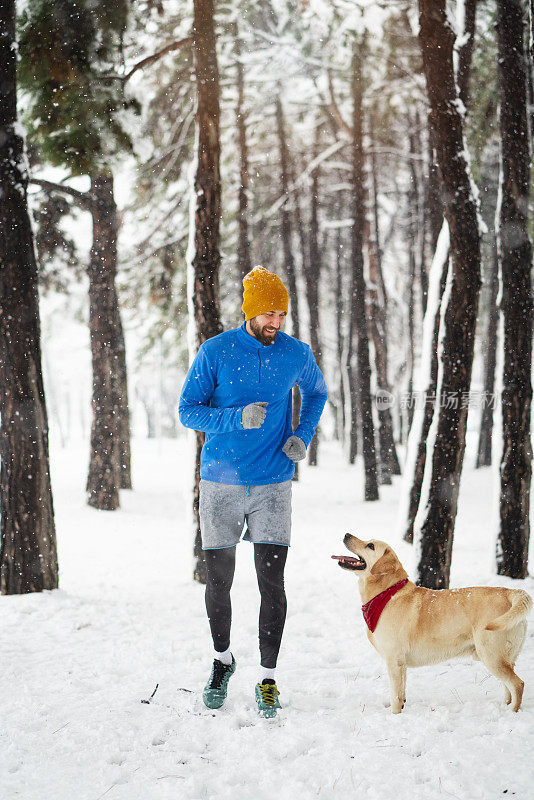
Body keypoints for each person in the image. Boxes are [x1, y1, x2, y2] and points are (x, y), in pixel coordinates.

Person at [179, 266, 327, 718]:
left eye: (281, 313)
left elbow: (317, 392)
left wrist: (302, 434)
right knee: (219, 582)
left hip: (273, 484)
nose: (276, 322)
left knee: (272, 583)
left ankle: (267, 678)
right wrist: (233, 417)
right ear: (250, 311)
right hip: (220, 483)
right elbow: (188, 411)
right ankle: (222, 661)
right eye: (268, 313)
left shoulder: (295, 353)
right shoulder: (216, 352)